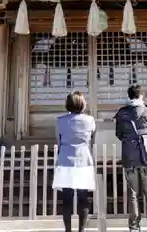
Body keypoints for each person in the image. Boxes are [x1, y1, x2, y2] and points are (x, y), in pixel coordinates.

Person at [114, 84, 147, 232]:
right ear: (141, 96)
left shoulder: (122, 113)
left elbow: (119, 134)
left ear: (128, 96)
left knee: (133, 193)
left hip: (130, 156)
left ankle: (134, 225)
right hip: (146, 155)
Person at [52, 91, 97, 232]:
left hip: (65, 160)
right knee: (84, 199)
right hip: (84, 160)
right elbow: (92, 139)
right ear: (82, 104)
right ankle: (82, 230)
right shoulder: (90, 120)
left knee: (67, 199)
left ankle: (68, 230)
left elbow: (59, 141)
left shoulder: (60, 121)